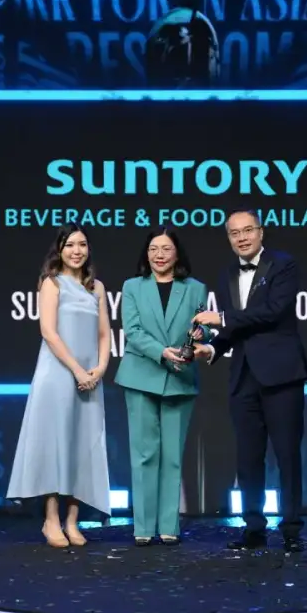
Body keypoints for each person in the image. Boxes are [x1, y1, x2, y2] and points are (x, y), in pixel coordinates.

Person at [193, 210, 307, 553]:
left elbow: (273, 311)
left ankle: (291, 530)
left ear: (261, 232)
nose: (242, 238)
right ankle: (254, 528)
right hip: (243, 376)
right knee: (247, 458)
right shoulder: (227, 273)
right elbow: (236, 328)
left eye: (247, 230)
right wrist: (212, 348)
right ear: (228, 238)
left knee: (287, 455)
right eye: (234, 233)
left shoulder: (283, 265)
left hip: (281, 373)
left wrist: (222, 318)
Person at [6, 223, 112, 548]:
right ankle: (51, 519)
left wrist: (99, 368)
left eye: (82, 244)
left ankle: (72, 520)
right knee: (54, 443)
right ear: (60, 250)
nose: (76, 251)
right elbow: (49, 333)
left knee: (83, 443)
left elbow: (104, 334)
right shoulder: (51, 283)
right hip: (57, 374)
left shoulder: (96, 288)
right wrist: (77, 370)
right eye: (70, 245)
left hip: (89, 377)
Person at [115, 229, 209, 547]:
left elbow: (204, 328)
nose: (159, 255)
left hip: (180, 377)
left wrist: (203, 335)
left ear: (177, 253)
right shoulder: (132, 287)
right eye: (153, 248)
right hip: (141, 376)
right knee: (144, 455)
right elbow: (133, 330)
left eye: (166, 249)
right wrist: (161, 352)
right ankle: (143, 527)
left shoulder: (195, 288)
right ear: (146, 253)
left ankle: (169, 526)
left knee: (173, 456)